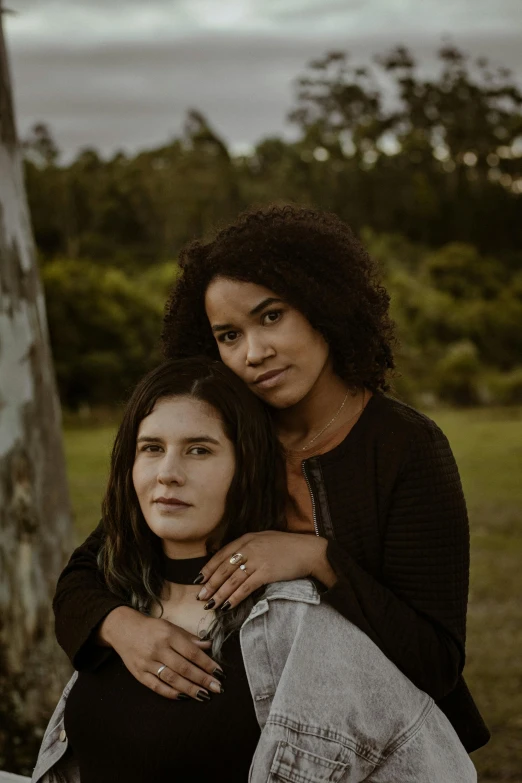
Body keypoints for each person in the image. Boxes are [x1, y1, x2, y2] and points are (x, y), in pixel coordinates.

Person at [53, 204, 489, 753]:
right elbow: (86, 574)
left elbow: (436, 660)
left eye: (271, 316)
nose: (255, 353)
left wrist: (316, 558)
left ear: (323, 306)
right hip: (247, 740)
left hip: (378, 746)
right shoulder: (226, 433)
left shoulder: (406, 448)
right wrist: (120, 627)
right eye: (229, 335)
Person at [33, 358, 477, 782]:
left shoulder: (304, 628)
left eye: (199, 450)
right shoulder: (115, 588)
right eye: (151, 448)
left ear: (245, 468)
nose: (167, 473)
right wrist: (116, 624)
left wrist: (320, 557)